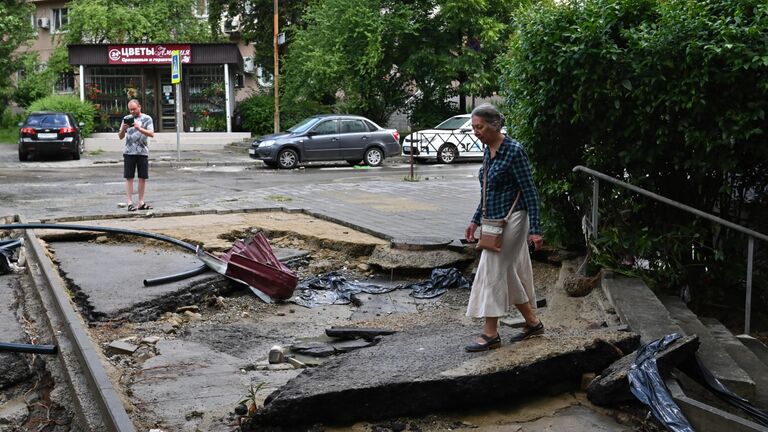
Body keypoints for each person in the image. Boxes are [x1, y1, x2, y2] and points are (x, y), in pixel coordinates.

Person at [464, 103, 544, 352]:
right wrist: (475, 220)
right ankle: (533, 323)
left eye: (480, 127)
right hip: (494, 221)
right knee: (505, 272)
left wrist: (536, 229)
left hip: (515, 219)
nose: (476, 132)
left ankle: (491, 333)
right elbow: (486, 191)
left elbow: (530, 190)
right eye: (474, 127)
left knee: (492, 267)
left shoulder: (514, 150)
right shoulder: (489, 150)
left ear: (494, 125)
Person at [118, 99, 155, 211]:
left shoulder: (147, 118)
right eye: (130, 109)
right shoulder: (126, 119)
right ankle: (129, 202)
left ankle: (141, 202)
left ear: (140, 107)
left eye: (134, 109)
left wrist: (139, 128)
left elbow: (151, 134)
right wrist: (123, 130)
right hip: (129, 152)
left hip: (142, 152)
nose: (132, 111)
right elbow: (120, 136)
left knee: (142, 177)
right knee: (129, 177)